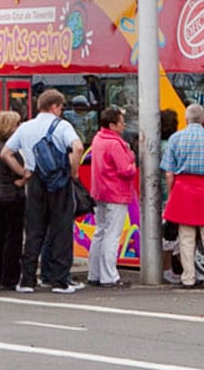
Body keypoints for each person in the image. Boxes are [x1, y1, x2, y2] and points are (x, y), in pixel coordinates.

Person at [0, 89, 84, 294]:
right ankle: (59, 281)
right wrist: (73, 171)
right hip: (59, 181)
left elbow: (6, 153)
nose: (61, 111)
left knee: (34, 230)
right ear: (54, 107)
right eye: (61, 107)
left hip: (35, 180)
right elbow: (78, 147)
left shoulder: (25, 127)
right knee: (61, 229)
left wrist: (23, 172)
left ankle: (27, 280)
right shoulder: (62, 126)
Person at [161, 103, 204, 290]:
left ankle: (188, 278)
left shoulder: (175, 139)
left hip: (183, 190)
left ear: (186, 119)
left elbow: (169, 173)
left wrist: (172, 193)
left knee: (186, 237)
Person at [88, 106, 137, 288]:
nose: (124, 125)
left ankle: (94, 273)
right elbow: (126, 170)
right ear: (112, 125)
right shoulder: (115, 144)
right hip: (116, 193)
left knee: (100, 232)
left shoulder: (98, 139)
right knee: (112, 235)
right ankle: (109, 276)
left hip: (100, 191)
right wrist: (132, 159)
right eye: (121, 122)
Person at [0, 110, 25, 291]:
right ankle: (10, 277)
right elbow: (19, 172)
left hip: (0, 194)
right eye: (17, 124)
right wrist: (25, 176)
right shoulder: (9, 149)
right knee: (13, 238)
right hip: (13, 195)